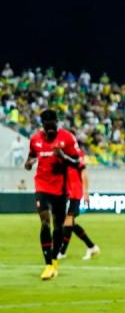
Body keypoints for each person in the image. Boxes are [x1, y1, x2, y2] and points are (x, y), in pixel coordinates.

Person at [25, 109, 82, 280]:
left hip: (60, 189)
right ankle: (48, 264)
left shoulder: (67, 138)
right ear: (42, 125)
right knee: (44, 222)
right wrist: (29, 163)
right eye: (47, 127)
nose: (50, 130)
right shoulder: (35, 139)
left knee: (58, 227)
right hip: (41, 186)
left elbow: (77, 162)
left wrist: (63, 157)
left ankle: (54, 262)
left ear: (57, 123)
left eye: (53, 126)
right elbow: (31, 156)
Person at [58, 147, 100, 260]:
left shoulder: (76, 155)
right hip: (69, 193)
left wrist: (86, 191)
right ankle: (91, 246)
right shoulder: (64, 156)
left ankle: (63, 252)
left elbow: (84, 173)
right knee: (70, 223)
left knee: (68, 222)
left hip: (75, 193)